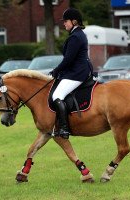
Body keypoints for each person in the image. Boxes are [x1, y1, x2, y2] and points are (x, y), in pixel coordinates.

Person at [50, 8, 92, 139]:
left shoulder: (75, 37)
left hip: (77, 74)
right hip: (78, 71)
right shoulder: (78, 34)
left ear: (74, 21)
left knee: (57, 95)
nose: (64, 24)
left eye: (66, 21)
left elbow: (68, 59)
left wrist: (57, 70)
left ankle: (64, 128)